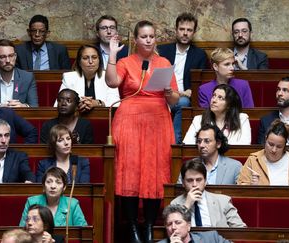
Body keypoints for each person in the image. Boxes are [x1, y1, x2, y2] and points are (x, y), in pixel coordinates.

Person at [105, 20, 179, 243]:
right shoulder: (126, 62)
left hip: (158, 121)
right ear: (135, 40)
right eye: (144, 36)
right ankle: (133, 227)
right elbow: (111, 82)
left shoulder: (164, 61)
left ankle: (148, 224)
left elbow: (174, 99)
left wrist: (168, 92)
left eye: (152, 36)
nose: (148, 40)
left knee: (154, 172)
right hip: (129, 121)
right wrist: (111, 55)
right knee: (131, 171)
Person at [158, 12, 208, 144]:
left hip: (182, 98)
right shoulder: (162, 51)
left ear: (194, 32)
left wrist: (192, 91)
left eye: (189, 30)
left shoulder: (200, 55)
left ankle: (173, 144)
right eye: (182, 29)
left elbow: (201, 83)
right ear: (176, 30)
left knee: (184, 103)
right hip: (161, 95)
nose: (185, 33)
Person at [238, 120, 289, 186]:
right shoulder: (253, 159)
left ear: (285, 145)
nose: (274, 150)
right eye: (271, 144)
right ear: (266, 139)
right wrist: (252, 187)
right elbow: (241, 185)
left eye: (279, 146)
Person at [171, 158, 246, 228]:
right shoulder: (175, 204)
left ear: (205, 181)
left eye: (199, 180)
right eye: (190, 180)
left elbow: (240, 230)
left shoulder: (223, 202)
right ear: (183, 183)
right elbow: (173, 229)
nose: (194, 184)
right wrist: (186, 206)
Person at [55, 44, 120, 110]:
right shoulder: (69, 78)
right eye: (85, 58)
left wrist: (98, 103)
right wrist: (79, 104)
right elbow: (59, 104)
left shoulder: (109, 77)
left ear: (99, 60)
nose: (91, 62)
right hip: (76, 117)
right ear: (79, 62)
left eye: (94, 57)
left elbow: (116, 104)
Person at [19, 167, 87, 227]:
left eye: (58, 182)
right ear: (43, 186)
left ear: (64, 187)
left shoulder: (72, 204)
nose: (53, 186)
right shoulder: (31, 202)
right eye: (49, 182)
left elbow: (84, 232)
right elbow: (22, 232)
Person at [185, 84, 251, 145]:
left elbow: (244, 145)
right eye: (214, 96)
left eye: (220, 98)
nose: (214, 100)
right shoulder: (198, 120)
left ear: (229, 105)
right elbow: (187, 144)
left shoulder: (242, 119)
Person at [0, 39, 39, 107]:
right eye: (3, 57)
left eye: (11, 56)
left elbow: (34, 107)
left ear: (15, 57)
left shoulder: (27, 77)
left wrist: (23, 107)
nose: (8, 61)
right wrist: (0, 106)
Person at [157, 204, 231, 243]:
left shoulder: (212, 238)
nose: (173, 227)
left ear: (188, 225)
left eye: (178, 222)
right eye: (169, 224)